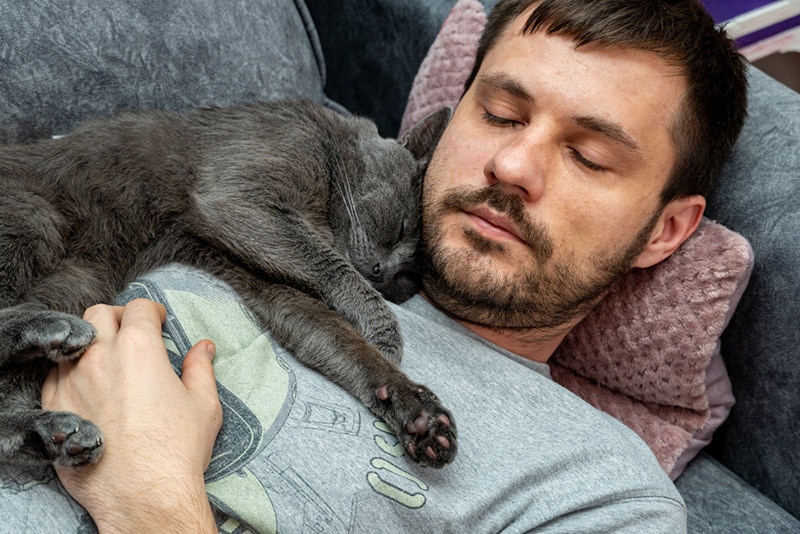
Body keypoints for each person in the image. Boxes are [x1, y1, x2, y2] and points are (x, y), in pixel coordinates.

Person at [32, 0, 747, 531]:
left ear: (666, 230)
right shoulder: (299, 206)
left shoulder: (602, 491)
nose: (512, 164)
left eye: (588, 155)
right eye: (499, 114)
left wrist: (150, 504)